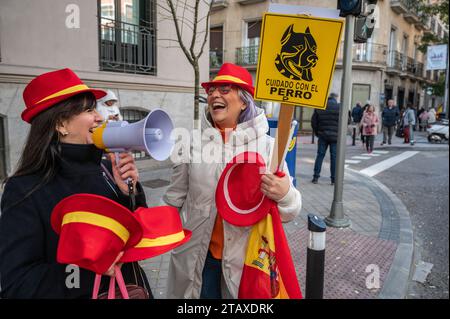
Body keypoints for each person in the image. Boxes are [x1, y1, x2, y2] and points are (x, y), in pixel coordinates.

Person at [0, 68, 151, 298]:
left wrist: (129, 192)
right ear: (61, 124)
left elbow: (137, 240)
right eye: (89, 110)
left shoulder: (107, 169)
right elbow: (19, 283)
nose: (99, 116)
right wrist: (88, 272)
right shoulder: (24, 189)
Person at [162, 63, 302, 299]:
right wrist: (149, 234)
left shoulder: (269, 148)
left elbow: (290, 212)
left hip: (245, 263)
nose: (214, 95)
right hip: (197, 259)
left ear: (244, 101)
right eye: (211, 91)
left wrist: (285, 193)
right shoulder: (191, 143)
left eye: (225, 89)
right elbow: (173, 199)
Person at [311, 93, 340, 185]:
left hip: (323, 135)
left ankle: (316, 177)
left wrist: (317, 133)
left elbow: (314, 122)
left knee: (320, 155)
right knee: (334, 157)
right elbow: (346, 121)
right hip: (335, 137)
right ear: (336, 98)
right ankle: (333, 179)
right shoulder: (340, 107)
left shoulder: (320, 106)